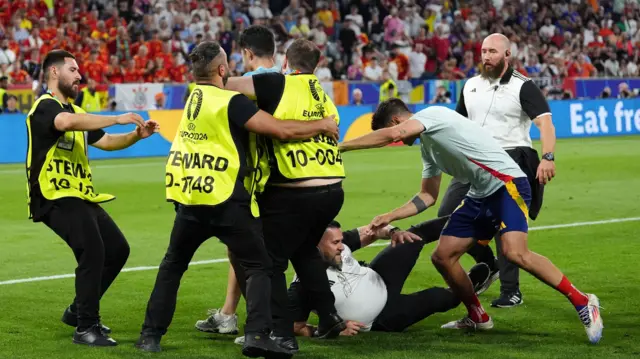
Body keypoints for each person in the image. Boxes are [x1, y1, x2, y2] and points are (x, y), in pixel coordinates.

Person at [338, 99, 603, 344]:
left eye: (392, 132)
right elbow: (428, 196)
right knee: (443, 256)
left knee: (514, 252)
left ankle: (583, 301)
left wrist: (340, 146)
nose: (396, 141)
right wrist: (390, 216)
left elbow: (393, 135)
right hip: (480, 193)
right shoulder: (428, 148)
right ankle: (478, 316)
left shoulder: (432, 114)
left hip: (506, 182)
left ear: (396, 122)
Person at [134, 41, 339, 357]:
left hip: (189, 199)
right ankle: (258, 334)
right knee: (259, 265)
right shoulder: (231, 103)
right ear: (221, 69)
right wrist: (321, 125)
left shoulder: (194, 99)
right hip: (227, 199)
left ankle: (150, 336)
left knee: (172, 265)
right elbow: (281, 130)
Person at [25, 49, 160, 346]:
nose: (79, 76)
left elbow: (109, 142)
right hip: (53, 194)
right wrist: (117, 117)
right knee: (93, 250)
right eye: (73, 70)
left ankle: (78, 311)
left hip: (79, 194)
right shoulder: (45, 107)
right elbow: (64, 124)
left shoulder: (79, 114)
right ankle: (86, 328)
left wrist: (137, 135)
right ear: (54, 73)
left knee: (117, 250)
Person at [224, 39, 348, 351]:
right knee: (305, 251)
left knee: (270, 262)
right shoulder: (323, 96)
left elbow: (224, 83)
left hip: (293, 192)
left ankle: (281, 333)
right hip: (333, 190)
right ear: (316, 66)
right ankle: (329, 315)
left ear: (285, 63)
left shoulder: (276, 83)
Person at [438, 33, 557, 307]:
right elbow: (459, 125)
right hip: (473, 162)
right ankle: (488, 263)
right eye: (483, 51)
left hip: (511, 159)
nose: (486, 56)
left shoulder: (523, 86)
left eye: (492, 51)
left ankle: (511, 291)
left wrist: (548, 157)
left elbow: (546, 124)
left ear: (507, 55)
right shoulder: (470, 86)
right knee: (446, 216)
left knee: (506, 227)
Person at [195, 25, 282, 336]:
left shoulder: (266, 79)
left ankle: (268, 325)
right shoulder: (285, 78)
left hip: (265, 178)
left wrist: (210, 70)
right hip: (266, 175)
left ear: (246, 53)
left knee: (258, 254)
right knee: (240, 248)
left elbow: (219, 84)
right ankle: (229, 313)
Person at [288, 218, 492, 337]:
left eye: (341, 240)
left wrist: (393, 231)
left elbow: (373, 230)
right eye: (335, 243)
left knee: (411, 237)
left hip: (380, 275)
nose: (341, 246)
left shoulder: (342, 244)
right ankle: (471, 283)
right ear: (316, 245)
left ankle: (473, 216)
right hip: (383, 317)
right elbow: (294, 326)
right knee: (442, 298)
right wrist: (331, 329)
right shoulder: (303, 285)